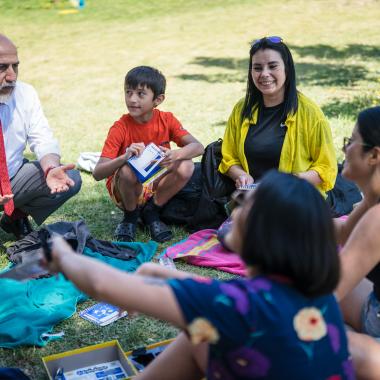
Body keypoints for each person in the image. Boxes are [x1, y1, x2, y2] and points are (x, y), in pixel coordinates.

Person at [46, 171, 353, 379]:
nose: (235, 208)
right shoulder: (314, 294)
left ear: (264, 232)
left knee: (198, 335)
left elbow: (101, 283)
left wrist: (62, 253)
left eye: (245, 205)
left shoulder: (236, 305)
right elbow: (223, 300)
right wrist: (158, 273)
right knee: (200, 337)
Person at [93, 66, 204, 243]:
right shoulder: (120, 127)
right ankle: (130, 217)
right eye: (128, 92)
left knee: (186, 164)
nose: (132, 99)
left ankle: (152, 212)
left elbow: (198, 147)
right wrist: (124, 157)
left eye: (140, 94)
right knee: (128, 170)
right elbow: (97, 173)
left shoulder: (166, 119)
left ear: (158, 100)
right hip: (127, 189)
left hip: (154, 185)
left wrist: (175, 154)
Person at [219, 36, 337, 195]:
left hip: (298, 199)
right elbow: (229, 158)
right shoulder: (241, 109)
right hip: (252, 199)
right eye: (258, 68)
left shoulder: (310, 113)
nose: (264, 74)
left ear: (287, 68)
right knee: (241, 220)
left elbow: (326, 167)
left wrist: (294, 181)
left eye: (272, 66)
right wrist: (241, 175)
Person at [0, 34, 81, 240]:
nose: (12, 76)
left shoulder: (25, 93)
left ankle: (15, 217)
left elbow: (42, 138)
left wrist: (51, 169)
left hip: (11, 178)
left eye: (15, 67)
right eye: (2, 68)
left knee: (70, 178)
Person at [333, 106, 380, 378]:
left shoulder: (376, 220)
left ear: (374, 155)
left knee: (311, 331)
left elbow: (324, 296)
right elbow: (343, 234)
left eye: (350, 142)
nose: (345, 150)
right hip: (374, 309)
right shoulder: (373, 199)